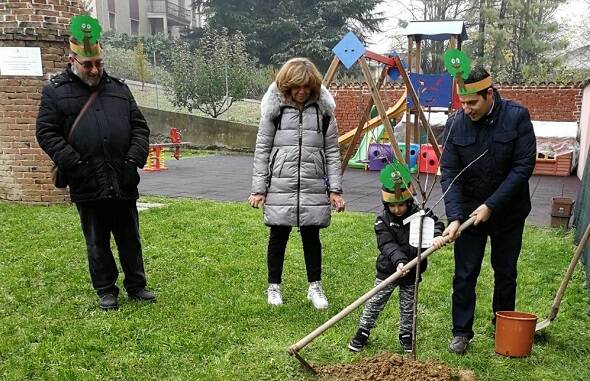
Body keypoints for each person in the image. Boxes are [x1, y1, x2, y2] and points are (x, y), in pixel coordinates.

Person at [36, 15, 155, 310]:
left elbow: (139, 127)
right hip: (86, 180)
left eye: (98, 63)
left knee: (130, 237)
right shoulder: (55, 91)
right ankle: (106, 289)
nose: (94, 69)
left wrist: (133, 161)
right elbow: (46, 133)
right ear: (72, 59)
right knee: (97, 239)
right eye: (88, 64)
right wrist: (75, 165)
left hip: (121, 176)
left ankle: (136, 285)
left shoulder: (118, 88)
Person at [440, 66, 536, 354]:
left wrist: (491, 205)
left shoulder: (516, 117)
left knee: (505, 271)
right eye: (463, 103)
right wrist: (455, 216)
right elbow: (449, 171)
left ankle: (503, 326)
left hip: (508, 212)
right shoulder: (456, 123)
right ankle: (461, 332)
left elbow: (522, 168)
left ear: (489, 94)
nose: (467, 109)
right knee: (465, 273)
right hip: (469, 214)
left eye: (473, 103)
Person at [248, 57, 345, 310]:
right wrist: (259, 189)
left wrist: (334, 189)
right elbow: (262, 150)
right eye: (296, 87)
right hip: (280, 182)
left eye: (306, 87)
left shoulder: (324, 112)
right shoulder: (274, 110)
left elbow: (333, 151)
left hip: (313, 183)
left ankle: (315, 286)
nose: (301, 92)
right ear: (286, 85)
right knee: (278, 234)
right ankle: (274, 287)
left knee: (312, 236)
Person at [348, 182, 445, 352]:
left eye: (400, 205)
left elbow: (435, 224)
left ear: (408, 202)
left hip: (413, 270)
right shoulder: (382, 221)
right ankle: (363, 331)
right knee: (375, 301)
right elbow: (387, 244)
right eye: (392, 206)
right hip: (389, 270)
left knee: (408, 305)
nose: (397, 210)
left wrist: (436, 235)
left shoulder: (421, 213)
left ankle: (406, 334)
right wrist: (399, 261)